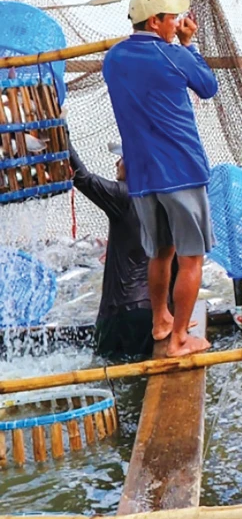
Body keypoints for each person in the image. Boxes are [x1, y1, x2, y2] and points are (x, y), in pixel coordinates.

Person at [102, 0, 219, 358]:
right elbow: (208, 86)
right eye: (172, 19)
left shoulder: (114, 57)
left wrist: (178, 43)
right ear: (155, 21)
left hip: (142, 175)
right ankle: (181, 339)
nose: (177, 24)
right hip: (182, 170)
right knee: (192, 257)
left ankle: (161, 321)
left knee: (160, 253)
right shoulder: (171, 54)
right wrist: (189, 45)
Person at [68, 142, 155, 359]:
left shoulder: (124, 196)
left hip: (120, 311)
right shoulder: (157, 197)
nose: (117, 162)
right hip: (149, 309)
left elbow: (83, 179)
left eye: (122, 158)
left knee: (107, 371)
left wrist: (64, 136)